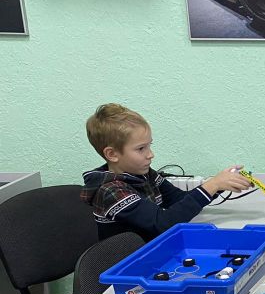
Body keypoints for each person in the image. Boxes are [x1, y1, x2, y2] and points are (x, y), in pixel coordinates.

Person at [81, 103, 251, 241]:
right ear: (112, 154)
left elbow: (178, 200)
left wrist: (219, 185)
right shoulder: (111, 191)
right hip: (130, 264)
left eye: (149, 145)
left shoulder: (145, 174)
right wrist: (212, 185)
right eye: (141, 148)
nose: (150, 154)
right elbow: (163, 224)